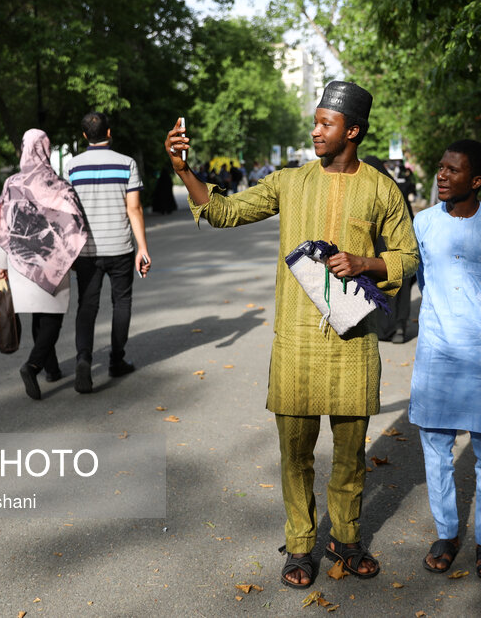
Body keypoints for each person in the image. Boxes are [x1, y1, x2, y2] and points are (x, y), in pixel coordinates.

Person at [164, 81, 418, 590]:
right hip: (297, 342)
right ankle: (301, 546)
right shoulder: (290, 181)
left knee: (349, 457)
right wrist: (183, 170)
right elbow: (225, 211)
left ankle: (346, 539)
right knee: (296, 455)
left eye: (326, 123)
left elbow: (408, 255)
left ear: (354, 130)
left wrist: (367, 262)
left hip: (352, 342)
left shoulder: (381, 187)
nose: (316, 131)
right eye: (316, 121)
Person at [408, 139, 481, 581]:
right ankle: (447, 533)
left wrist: (479, 319)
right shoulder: (423, 223)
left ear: (476, 181)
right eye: (440, 167)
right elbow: (423, 279)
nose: (442, 176)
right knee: (436, 449)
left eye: (453, 171)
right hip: (436, 349)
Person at [0, 129, 87, 400]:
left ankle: (52, 369)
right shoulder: (59, 186)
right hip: (53, 261)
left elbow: (4, 226)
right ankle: (33, 366)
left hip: (21, 261)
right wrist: (75, 257)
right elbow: (73, 224)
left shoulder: (12, 184)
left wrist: (2, 263)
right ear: (46, 148)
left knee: (37, 315)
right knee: (52, 320)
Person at [66, 112, 151, 393]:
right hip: (120, 247)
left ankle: (83, 360)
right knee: (121, 302)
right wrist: (143, 248)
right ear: (109, 133)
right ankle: (116, 360)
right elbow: (134, 208)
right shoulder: (126, 163)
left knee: (86, 306)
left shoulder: (72, 167)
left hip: (86, 250)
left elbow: (67, 212)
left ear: (84, 136)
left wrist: (69, 251)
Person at [363, 155, 414, 343]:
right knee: (400, 290)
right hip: (399, 249)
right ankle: (399, 326)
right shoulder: (395, 190)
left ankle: (382, 328)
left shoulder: (365, 194)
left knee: (379, 287)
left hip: (374, 252)